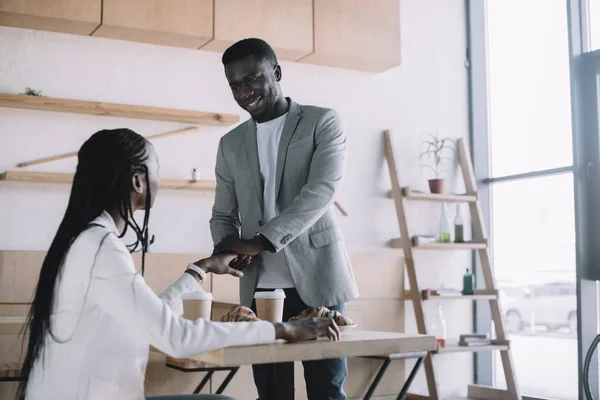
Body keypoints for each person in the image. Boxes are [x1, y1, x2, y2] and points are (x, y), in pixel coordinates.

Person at [17, 128, 341, 400]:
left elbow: (149, 318)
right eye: (156, 167)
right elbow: (176, 337)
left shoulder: (88, 240)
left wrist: (200, 270)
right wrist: (284, 328)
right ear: (138, 181)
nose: (160, 177)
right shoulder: (100, 247)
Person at [210, 38, 359, 400]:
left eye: (252, 80)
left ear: (276, 72)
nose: (244, 92)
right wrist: (225, 248)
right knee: (272, 393)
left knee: (326, 388)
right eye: (235, 85)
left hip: (317, 278)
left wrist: (261, 241)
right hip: (259, 285)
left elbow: (321, 191)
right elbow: (222, 213)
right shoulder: (230, 144)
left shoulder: (322, 121)